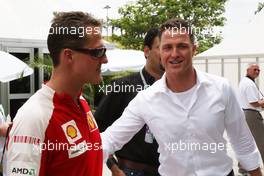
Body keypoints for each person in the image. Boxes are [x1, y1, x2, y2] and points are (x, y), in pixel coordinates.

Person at [101, 18, 263, 176]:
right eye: (167, 47)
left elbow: (242, 140)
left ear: (194, 49)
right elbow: (110, 139)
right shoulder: (146, 99)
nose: (174, 54)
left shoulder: (221, 88)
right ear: (160, 52)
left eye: (182, 46)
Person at [6, 11, 107, 176]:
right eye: (98, 52)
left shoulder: (80, 102)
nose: (105, 59)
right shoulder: (34, 117)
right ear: (69, 56)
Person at [95, 28, 163, 176]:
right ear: (147, 51)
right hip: (131, 170)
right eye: (161, 47)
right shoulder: (122, 86)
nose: (167, 53)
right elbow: (96, 130)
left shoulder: (176, 89)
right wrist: (114, 168)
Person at [238, 63, 264, 170]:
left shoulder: (246, 81)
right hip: (252, 115)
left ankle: (242, 168)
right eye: (254, 69)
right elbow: (253, 102)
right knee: (262, 141)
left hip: (246, 114)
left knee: (248, 143)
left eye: (258, 70)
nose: (257, 72)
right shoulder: (249, 84)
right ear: (248, 70)